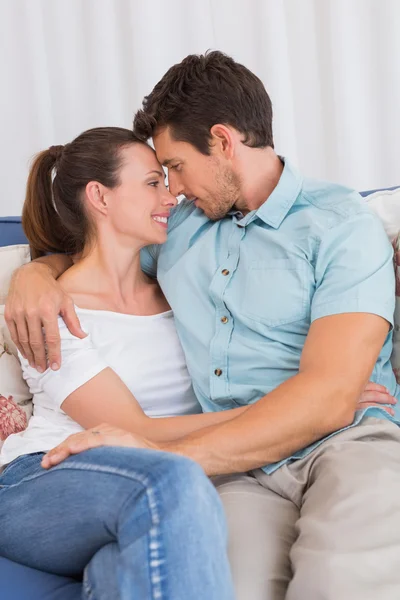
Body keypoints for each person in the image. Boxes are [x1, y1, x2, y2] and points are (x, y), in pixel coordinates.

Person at [5, 51, 400, 600]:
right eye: (159, 178)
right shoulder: (181, 228)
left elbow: (330, 400)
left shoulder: (337, 225)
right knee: (217, 585)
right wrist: (36, 275)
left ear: (221, 141)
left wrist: (163, 459)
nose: (174, 189)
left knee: (337, 583)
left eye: (175, 167)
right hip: (237, 469)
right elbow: (96, 261)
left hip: (345, 439)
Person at [0, 127, 237, 600]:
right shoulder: (51, 310)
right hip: (41, 478)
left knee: (123, 569)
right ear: (100, 197)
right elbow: (130, 427)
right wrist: (296, 410)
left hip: (139, 493)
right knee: (172, 479)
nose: (171, 195)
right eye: (152, 182)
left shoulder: (179, 289)